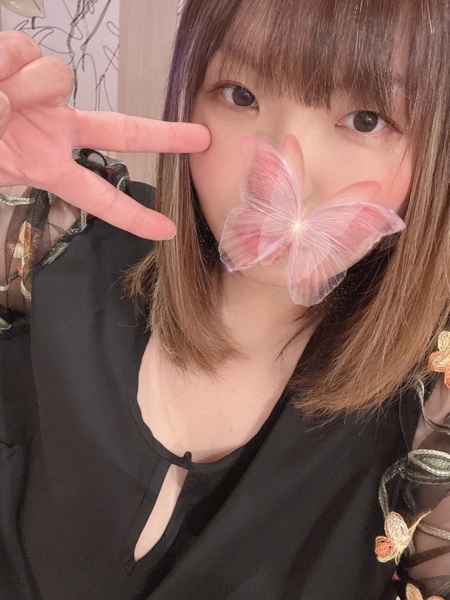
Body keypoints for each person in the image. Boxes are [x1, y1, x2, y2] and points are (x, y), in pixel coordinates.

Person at [0, 1, 449, 599]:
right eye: (240, 95)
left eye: (366, 119)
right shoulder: (63, 236)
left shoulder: (430, 412)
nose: (282, 171)